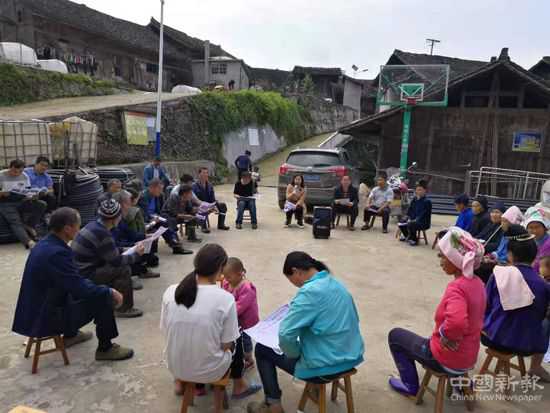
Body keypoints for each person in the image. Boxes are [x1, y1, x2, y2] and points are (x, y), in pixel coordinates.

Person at [247, 252, 364, 413]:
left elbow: (286, 335)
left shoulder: (309, 292)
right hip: (351, 356)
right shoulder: (336, 284)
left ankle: (273, 405)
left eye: (291, 280)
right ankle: (313, 387)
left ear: (296, 272)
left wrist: (293, 353)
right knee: (312, 335)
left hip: (325, 366)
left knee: (262, 349)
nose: (295, 285)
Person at [11, 207, 134, 361]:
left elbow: (71, 281)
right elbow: (79, 288)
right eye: (78, 226)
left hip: (37, 309)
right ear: (67, 229)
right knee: (103, 297)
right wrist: (109, 292)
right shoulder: (57, 253)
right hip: (44, 318)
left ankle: (71, 335)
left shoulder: (44, 244)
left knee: (89, 289)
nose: (79, 229)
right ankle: (106, 348)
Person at [387, 227, 486, 397]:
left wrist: (446, 335)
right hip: (468, 357)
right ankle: (460, 383)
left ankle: (410, 385)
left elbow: (456, 323)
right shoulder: (478, 283)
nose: (440, 260)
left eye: (443, 256)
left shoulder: (457, 288)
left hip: (445, 357)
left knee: (395, 336)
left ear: (456, 261)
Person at [161, 244, 261, 399]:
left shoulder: (171, 290)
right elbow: (226, 345)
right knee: (236, 336)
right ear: (221, 270)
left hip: (175, 366)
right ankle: (239, 386)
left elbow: (165, 329)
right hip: (209, 371)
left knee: (190, 335)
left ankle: (181, 381)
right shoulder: (225, 299)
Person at [483, 225, 550, 382]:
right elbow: (542, 314)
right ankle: (536, 367)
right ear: (535, 257)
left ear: (510, 254)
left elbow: (485, 305)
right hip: (528, 344)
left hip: (494, 338)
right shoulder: (544, 285)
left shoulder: (499, 274)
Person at [72, 199, 145, 318]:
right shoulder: (103, 234)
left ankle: (112, 298)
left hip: (79, 269)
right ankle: (123, 309)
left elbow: (108, 250)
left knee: (117, 267)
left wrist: (128, 249)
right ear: (114, 219)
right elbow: (116, 261)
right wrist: (136, 255)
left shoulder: (94, 225)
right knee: (123, 269)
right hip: (86, 274)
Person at [222, 257, 260, 372]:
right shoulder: (227, 282)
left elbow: (239, 307)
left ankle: (249, 359)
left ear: (239, 274)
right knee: (237, 339)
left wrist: (225, 314)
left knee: (245, 341)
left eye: (228, 277)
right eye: (225, 276)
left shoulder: (247, 288)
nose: (226, 279)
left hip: (246, 322)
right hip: (236, 319)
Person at [112, 190, 160, 280]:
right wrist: (132, 245)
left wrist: (146, 236)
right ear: (122, 204)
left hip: (123, 244)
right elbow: (115, 244)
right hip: (118, 248)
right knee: (139, 250)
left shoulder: (121, 219)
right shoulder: (113, 220)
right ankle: (136, 272)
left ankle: (141, 270)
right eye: (128, 203)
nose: (130, 206)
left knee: (147, 246)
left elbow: (130, 233)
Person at [138, 178, 191, 255]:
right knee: (165, 223)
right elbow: (143, 214)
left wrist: (157, 217)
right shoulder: (144, 197)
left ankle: (176, 245)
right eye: (159, 189)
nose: (161, 191)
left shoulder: (159, 196)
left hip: (156, 218)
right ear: (152, 188)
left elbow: (160, 210)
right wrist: (152, 219)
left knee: (167, 221)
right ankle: (176, 245)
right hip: (146, 220)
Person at [475, 206, 524, 283]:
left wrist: (495, 260)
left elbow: (510, 258)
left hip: (507, 266)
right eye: (502, 221)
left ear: (513, 222)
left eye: (505, 221)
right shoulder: (505, 234)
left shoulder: (517, 238)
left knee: (481, 269)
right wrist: (490, 256)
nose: (502, 224)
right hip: (498, 262)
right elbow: (499, 250)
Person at [0, 159, 37, 249]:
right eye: (14, 171)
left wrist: (31, 195)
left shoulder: (24, 176)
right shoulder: (1, 175)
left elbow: (28, 190)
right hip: (5, 202)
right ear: (10, 168)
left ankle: (28, 225)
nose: (16, 174)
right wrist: (2, 194)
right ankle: (28, 242)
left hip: (21, 200)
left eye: (20, 172)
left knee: (40, 204)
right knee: (15, 221)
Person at [193, 167, 230, 231]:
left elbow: (212, 198)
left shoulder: (210, 185)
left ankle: (221, 224)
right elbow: (193, 199)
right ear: (199, 174)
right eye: (203, 173)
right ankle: (203, 227)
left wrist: (214, 205)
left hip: (209, 204)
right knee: (202, 208)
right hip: (199, 205)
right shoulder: (194, 186)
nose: (205, 174)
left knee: (222, 205)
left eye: (206, 173)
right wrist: (205, 205)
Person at [399, 180, 432, 246]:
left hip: (423, 222)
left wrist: (415, 219)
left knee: (411, 224)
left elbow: (423, 214)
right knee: (402, 222)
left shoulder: (427, 201)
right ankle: (407, 236)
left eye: (420, 190)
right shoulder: (414, 199)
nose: (418, 191)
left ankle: (414, 240)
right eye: (417, 190)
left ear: (425, 191)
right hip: (413, 220)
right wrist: (407, 216)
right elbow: (410, 209)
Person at [524, 207, 550, 274]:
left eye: (537, 227)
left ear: (544, 228)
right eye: (531, 228)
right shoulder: (529, 241)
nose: (534, 231)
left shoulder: (548, 244)